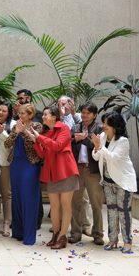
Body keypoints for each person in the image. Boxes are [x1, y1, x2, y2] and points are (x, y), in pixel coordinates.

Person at [32, 106, 79, 249]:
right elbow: (42, 154)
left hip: (66, 171)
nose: (43, 117)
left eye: (46, 114)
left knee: (65, 205)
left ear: (54, 117)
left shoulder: (64, 128)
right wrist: (35, 141)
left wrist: (39, 137)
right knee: (53, 206)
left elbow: (58, 146)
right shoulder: (47, 133)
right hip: (52, 172)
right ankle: (56, 234)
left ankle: (62, 236)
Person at [91, 112, 137, 253]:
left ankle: (127, 241)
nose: (103, 126)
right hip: (108, 182)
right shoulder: (103, 137)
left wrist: (100, 146)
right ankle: (112, 240)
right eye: (103, 122)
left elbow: (112, 157)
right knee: (111, 211)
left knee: (124, 212)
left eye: (107, 123)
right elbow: (95, 156)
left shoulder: (123, 141)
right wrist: (97, 146)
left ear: (115, 126)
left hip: (123, 181)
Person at [5, 104, 44, 245]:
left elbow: (34, 142)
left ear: (30, 115)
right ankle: (18, 232)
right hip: (15, 163)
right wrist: (16, 131)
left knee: (29, 198)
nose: (20, 115)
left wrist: (23, 131)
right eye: (19, 113)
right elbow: (7, 144)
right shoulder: (16, 126)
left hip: (30, 164)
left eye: (23, 113)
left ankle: (29, 236)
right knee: (17, 197)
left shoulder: (37, 126)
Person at [68, 102, 105, 245]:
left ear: (94, 115)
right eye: (83, 112)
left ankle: (98, 234)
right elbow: (69, 143)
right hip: (77, 168)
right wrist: (75, 139)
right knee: (75, 202)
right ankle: (75, 233)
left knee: (96, 203)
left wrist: (85, 139)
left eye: (88, 113)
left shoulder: (100, 128)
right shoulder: (75, 127)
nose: (85, 115)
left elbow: (99, 147)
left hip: (92, 170)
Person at [0, 101, 15, 236]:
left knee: (6, 193)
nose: (0, 112)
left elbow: (12, 145)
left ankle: (6, 222)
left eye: (4, 111)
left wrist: (1, 132)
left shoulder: (14, 124)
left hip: (5, 163)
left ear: (9, 113)